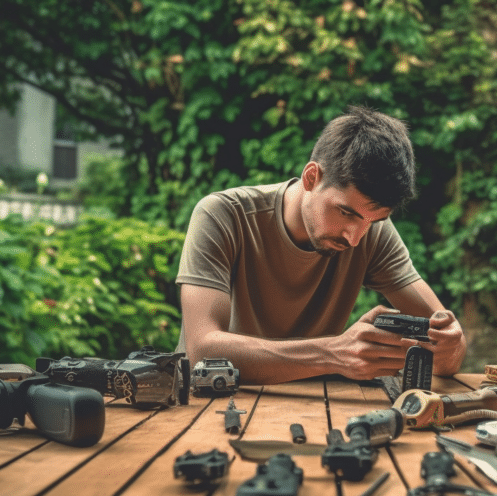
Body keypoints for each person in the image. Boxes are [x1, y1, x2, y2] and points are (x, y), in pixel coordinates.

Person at [176, 106, 466, 385]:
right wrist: (332, 354)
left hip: (311, 407)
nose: (354, 238)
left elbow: (449, 356)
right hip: (207, 404)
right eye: (346, 213)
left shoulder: (372, 234)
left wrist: (449, 345)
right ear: (312, 177)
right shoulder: (223, 215)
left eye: (373, 221)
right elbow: (202, 349)